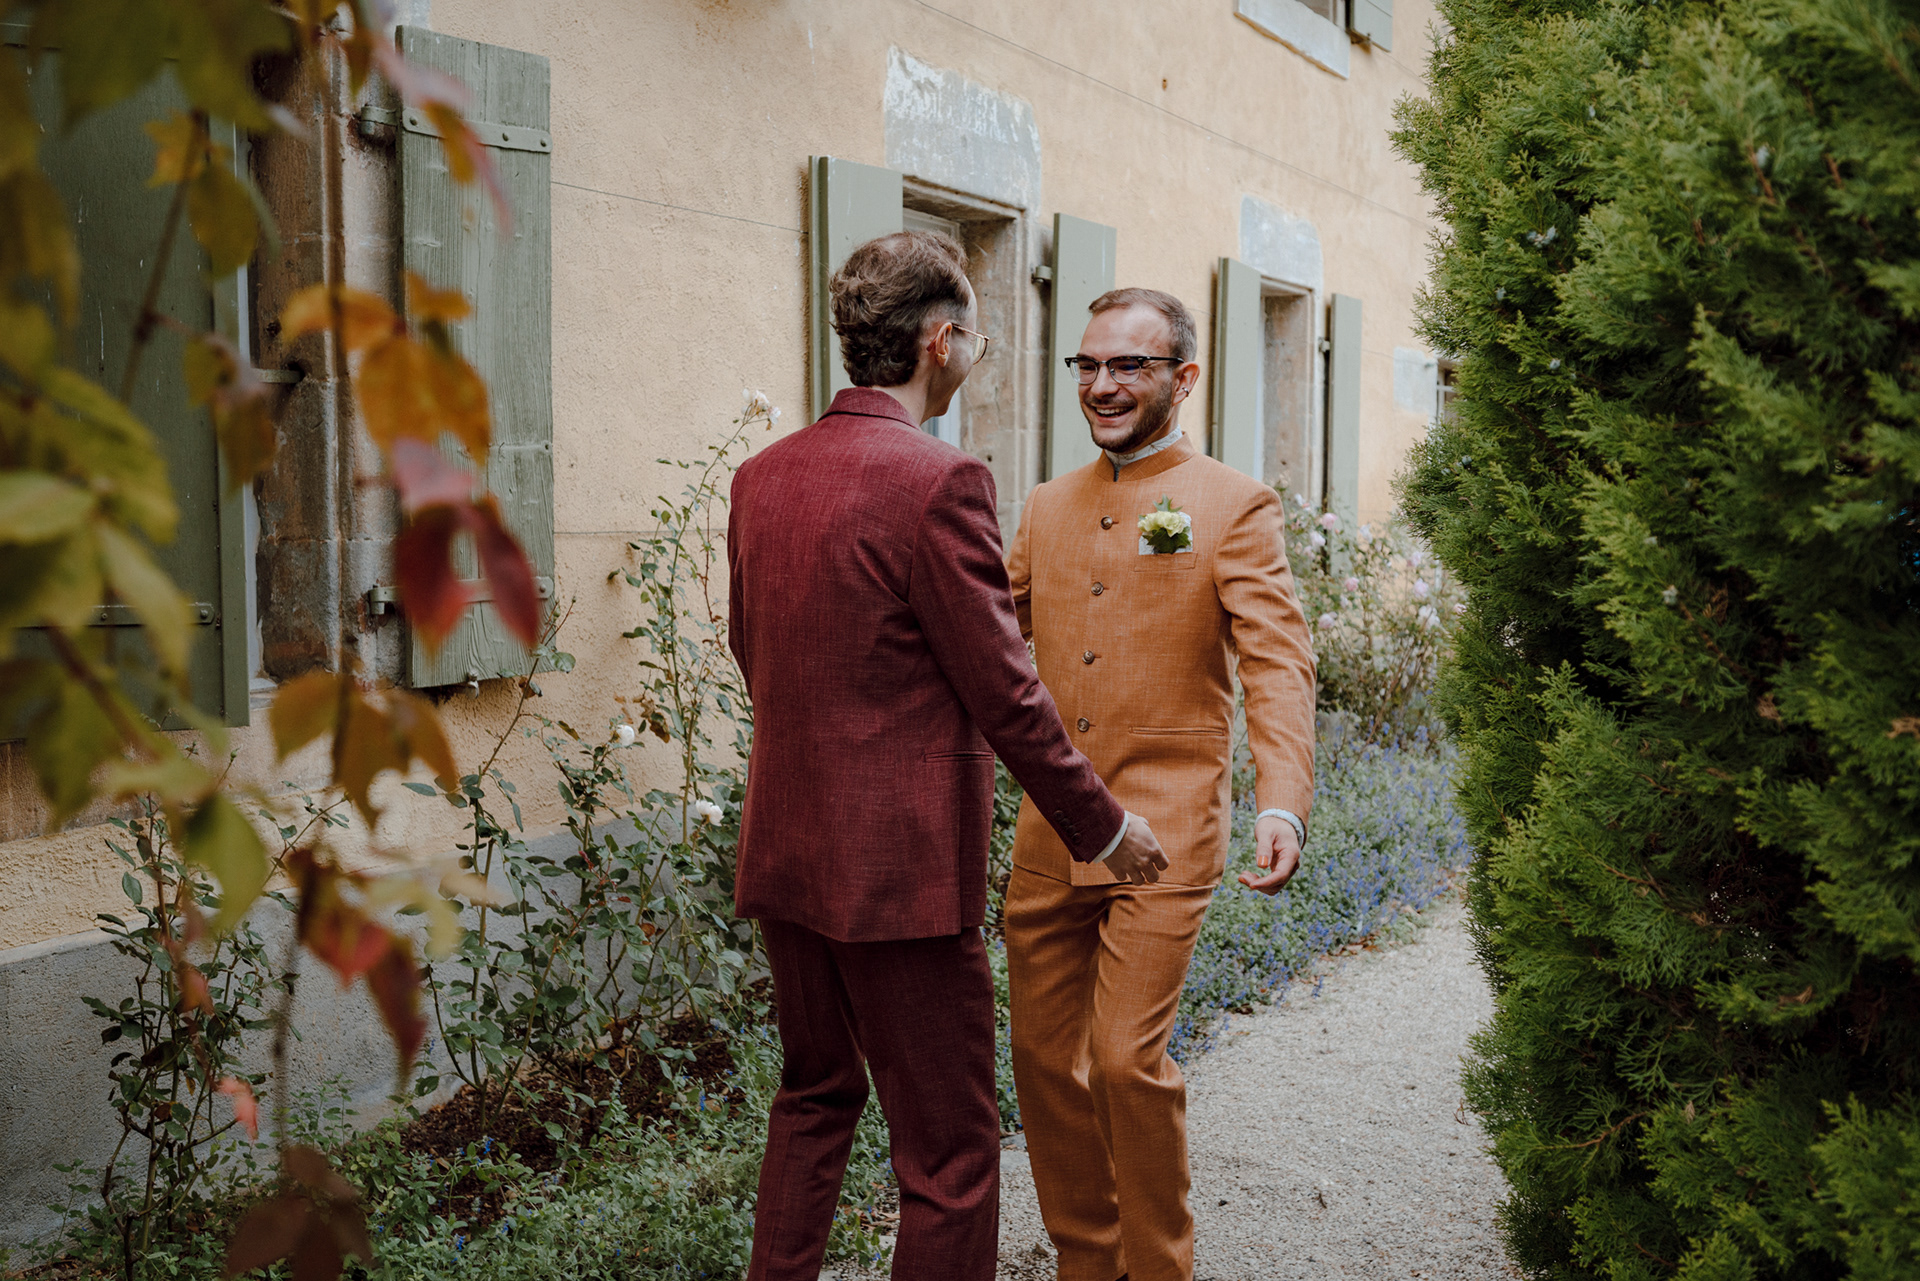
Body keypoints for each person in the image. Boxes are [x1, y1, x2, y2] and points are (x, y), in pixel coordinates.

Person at [727, 233, 1170, 1281]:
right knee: (951, 1156)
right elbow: (1005, 690)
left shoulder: (761, 476)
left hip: (786, 851)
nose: (977, 349)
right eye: (976, 332)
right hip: (902, 881)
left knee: (814, 1096)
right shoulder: (940, 482)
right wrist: (1104, 827)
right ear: (941, 340)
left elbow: (754, 651)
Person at [1003, 287, 1318, 1281]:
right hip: (1051, 830)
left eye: (1129, 365)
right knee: (1044, 1061)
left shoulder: (1233, 504)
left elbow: (1277, 662)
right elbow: (986, 647)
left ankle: (1158, 1268)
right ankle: (1087, 1263)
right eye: (1088, 364)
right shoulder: (1044, 507)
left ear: (1182, 379)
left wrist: (1281, 798)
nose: (1102, 385)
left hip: (1167, 833)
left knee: (1125, 1060)